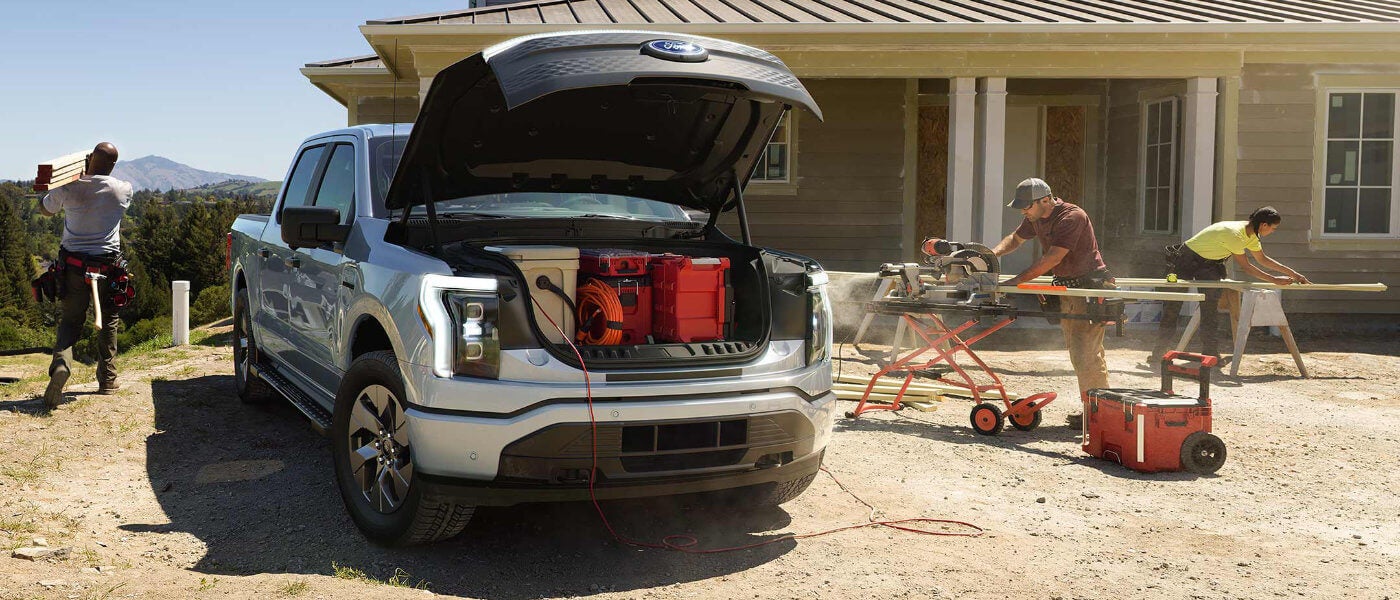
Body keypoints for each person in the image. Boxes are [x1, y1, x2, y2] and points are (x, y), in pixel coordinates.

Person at [992, 178, 1113, 427]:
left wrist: (1017, 281)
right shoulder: (1035, 217)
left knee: (1084, 353)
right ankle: (1097, 409)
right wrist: (991, 254)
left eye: (1027, 207)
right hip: (1070, 288)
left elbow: (1052, 258)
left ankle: (1099, 414)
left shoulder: (1072, 217)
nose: (1024, 211)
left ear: (1045, 200)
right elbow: (1015, 239)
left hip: (1089, 288)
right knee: (1082, 351)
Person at [38, 142, 134, 410]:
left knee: (70, 322)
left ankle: (61, 365)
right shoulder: (122, 189)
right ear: (113, 165)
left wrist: (70, 179)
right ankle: (107, 380)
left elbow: (45, 209)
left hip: (73, 266)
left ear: (89, 159)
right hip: (107, 267)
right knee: (109, 320)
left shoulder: (69, 187)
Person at [1150, 206, 1310, 366]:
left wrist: (1295, 275)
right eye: (1273, 228)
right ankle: (1159, 353)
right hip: (1187, 258)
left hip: (1210, 265)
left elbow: (1263, 259)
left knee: (1210, 309)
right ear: (1264, 225)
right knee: (1173, 305)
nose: (1273, 231)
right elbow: (1246, 266)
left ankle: (1211, 356)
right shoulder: (1235, 234)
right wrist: (1274, 280)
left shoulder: (1252, 235)